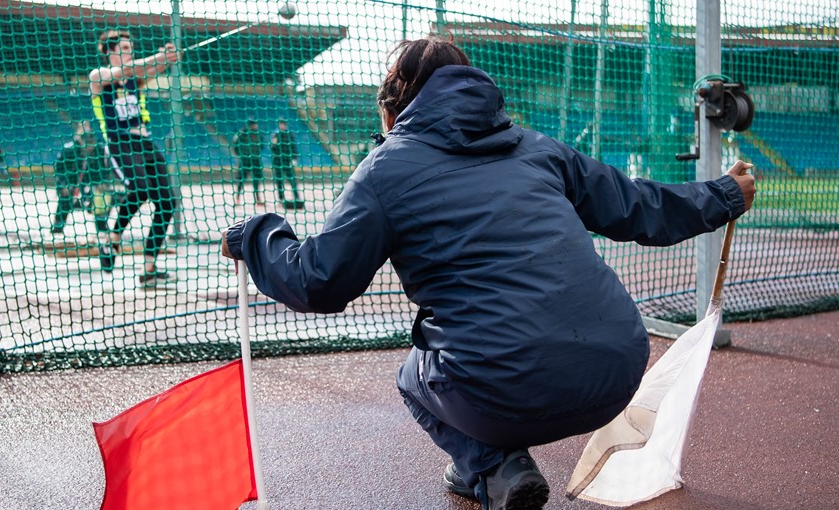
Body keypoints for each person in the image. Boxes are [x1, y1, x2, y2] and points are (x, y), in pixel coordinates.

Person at [220, 37, 756, 510]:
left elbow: (318, 280)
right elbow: (638, 205)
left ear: (393, 105)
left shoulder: (385, 170)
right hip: (618, 372)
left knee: (414, 375)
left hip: (504, 390)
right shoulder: (538, 147)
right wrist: (724, 194)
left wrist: (257, 235)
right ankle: (494, 467)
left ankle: (492, 464)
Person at [89, 30, 179, 286]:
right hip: (121, 143)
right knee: (140, 188)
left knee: (167, 202)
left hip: (145, 142)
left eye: (131, 47)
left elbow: (152, 70)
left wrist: (168, 58)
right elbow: (124, 71)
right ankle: (113, 237)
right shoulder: (98, 77)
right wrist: (158, 57)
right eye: (125, 47)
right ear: (110, 51)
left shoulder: (135, 79)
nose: (130, 51)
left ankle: (149, 269)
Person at [50, 122, 112, 234]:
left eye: (92, 143)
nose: (90, 146)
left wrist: (103, 183)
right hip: (71, 184)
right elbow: (59, 170)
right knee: (65, 199)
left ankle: (101, 226)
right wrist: (63, 186)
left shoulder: (100, 151)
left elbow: (105, 170)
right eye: (87, 142)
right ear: (81, 141)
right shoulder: (69, 150)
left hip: (90, 184)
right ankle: (58, 227)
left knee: (103, 196)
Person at [270, 117, 303, 208]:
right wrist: (274, 144)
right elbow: (272, 148)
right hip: (278, 161)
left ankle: (296, 197)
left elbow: (293, 147)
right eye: (281, 123)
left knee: (292, 180)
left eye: (284, 123)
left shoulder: (289, 134)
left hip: (287, 161)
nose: (283, 125)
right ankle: (281, 199)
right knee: (279, 181)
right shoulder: (276, 135)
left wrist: (294, 158)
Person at [232, 118, 265, 205]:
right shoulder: (242, 133)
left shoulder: (258, 134)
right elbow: (235, 145)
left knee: (256, 180)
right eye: (254, 124)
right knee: (241, 180)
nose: (256, 126)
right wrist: (241, 154)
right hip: (245, 160)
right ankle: (237, 198)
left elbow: (262, 145)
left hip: (255, 160)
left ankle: (258, 199)